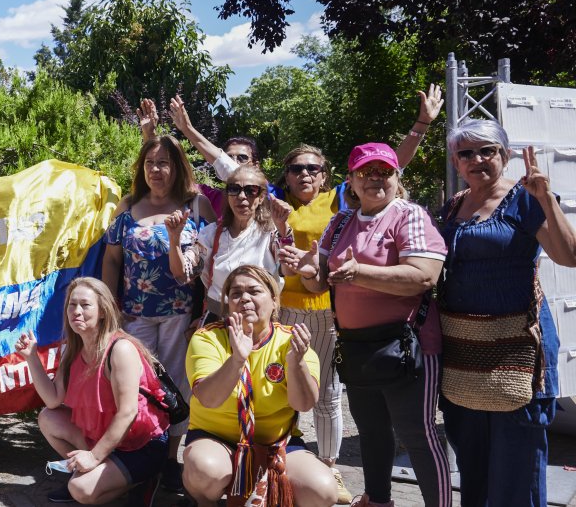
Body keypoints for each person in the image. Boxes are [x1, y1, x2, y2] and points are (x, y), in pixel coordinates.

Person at [169, 88, 442, 503]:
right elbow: (226, 170)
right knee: (244, 388)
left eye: (313, 168)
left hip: (307, 314)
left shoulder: (330, 203)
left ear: (328, 173)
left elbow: (385, 170)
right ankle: (235, 461)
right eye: (296, 168)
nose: (305, 174)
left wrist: (420, 127)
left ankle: (323, 466)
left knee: (323, 393)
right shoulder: (249, 217)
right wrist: (185, 131)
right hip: (242, 319)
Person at [296, 142, 450, 507]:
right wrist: (303, 271)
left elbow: (424, 276)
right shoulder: (340, 222)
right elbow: (319, 282)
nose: (375, 179)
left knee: (418, 434)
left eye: (385, 171)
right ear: (350, 180)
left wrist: (359, 273)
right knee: (372, 432)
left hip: (407, 348)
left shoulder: (408, 215)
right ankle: (378, 500)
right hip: (357, 346)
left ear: (398, 177)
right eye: (366, 172)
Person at [438, 120, 576, 507]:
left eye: (488, 151)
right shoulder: (452, 206)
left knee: (518, 461)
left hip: (519, 346)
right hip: (465, 348)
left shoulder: (525, 198)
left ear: (506, 154)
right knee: (472, 458)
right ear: (456, 161)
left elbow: (569, 257)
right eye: (466, 153)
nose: (477, 159)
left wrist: (545, 198)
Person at [102, 133, 211, 487]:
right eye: (150, 163)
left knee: (176, 383)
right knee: (136, 384)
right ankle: (141, 450)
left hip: (180, 312)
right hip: (135, 313)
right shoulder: (128, 206)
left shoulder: (197, 207)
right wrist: (112, 307)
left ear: (177, 167)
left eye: (163, 162)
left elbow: (211, 258)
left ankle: (169, 459)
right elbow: (112, 259)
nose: (156, 169)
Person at [183, 265, 335, 507]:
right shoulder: (207, 338)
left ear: (275, 301)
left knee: (323, 490)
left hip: (277, 442)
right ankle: (205, 503)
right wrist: (236, 360)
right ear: (228, 304)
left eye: (254, 291)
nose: (244, 298)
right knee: (205, 470)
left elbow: (304, 404)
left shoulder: (291, 341)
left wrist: (295, 363)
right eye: (236, 294)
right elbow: (209, 399)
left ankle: (273, 493)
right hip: (217, 438)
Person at [16, 276, 171, 505]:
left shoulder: (121, 349)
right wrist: (31, 359)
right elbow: (52, 400)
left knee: (80, 490)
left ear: (102, 311)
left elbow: (128, 413)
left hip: (141, 446)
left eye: (85, 305)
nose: (76, 311)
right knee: (48, 418)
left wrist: (94, 456)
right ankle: (98, 473)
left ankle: (142, 480)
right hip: (106, 439)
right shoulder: (73, 350)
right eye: (71, 304)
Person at [171, 165, 291, 321]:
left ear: (261, 197)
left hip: (259, 321)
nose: (241, 196)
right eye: (234, 189)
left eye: (250, 190)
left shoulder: (272, 233)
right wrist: (174, 238)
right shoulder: (211, 234)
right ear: (227, 195)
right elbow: (183, 273)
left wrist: (284, 229)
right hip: (218, 320)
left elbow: (289, 270)